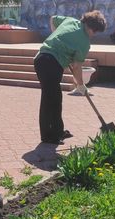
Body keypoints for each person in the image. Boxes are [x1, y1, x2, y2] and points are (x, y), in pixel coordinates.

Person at [34, 10, 106, 145]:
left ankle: (57, 131)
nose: (94, 35)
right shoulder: (84, 42)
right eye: (95, 32)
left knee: (54, 98)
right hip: (51, 63)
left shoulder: (70, 21)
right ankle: (49, 136)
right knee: (50, 100)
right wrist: (80, 85)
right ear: (92, 28)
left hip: (41, 58)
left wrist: (57, 37)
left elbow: (53, 18)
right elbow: (77, 67)